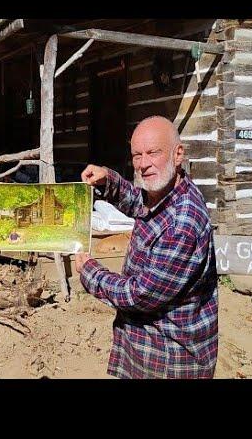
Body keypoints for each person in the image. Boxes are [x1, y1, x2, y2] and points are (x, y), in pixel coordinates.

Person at [74, 115, 218, 379]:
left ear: (178, 154)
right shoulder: (168, 192)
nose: (143, 164)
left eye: (153, 153)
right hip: (148, 344)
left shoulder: (182, 222)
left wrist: (91, 273)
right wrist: (109, 181)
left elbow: (142, 294)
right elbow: (141, 204)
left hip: (169, 356)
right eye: (137, 155)